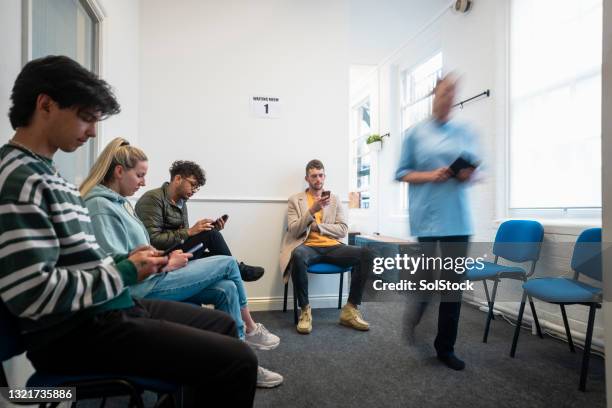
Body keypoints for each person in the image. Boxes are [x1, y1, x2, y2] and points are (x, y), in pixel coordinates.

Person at [0, 55, 257, 406]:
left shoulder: (42, 172)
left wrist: (127, 259)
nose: (92, 131)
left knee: (223, 328)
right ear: (45, 104)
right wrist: (125, 269)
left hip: (106, 310)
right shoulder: (20, 179)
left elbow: (73, 264)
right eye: (86, 118)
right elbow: (31, 291)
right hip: (80, 332)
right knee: (240, 361)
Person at [80, 138, 283, 388]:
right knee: (228, 263)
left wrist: (168, 256)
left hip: (157, 271)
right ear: (120, 171)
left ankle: (242, 359)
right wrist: (166, 261)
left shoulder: (121, 204)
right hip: (144, 286)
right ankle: (250, 331)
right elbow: (119, 266)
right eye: (140, 175)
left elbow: (138, 250)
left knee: (227, 288)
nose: (143, 182)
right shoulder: (103, 206)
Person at [395, 74, 481, 371]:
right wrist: (431, 175)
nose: (449, 98)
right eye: (445, 92)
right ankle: (416, 310)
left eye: (454, 93)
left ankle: (445, 348)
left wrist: (467, 174)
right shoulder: (415, 133)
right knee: (429, 279)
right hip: (428, 218)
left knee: (452, 286)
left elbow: (477, 170)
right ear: (435, 93)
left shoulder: (464, 131)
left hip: (458, 219)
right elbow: (401, 172)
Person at [280, 159, 373, 334]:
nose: (318, 179)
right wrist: (311, 211)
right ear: (307, 178)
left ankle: (350, 309)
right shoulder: (295, 200)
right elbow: (293, 230)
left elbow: (343, 230)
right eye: (314, 176)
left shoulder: (335, 199)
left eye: (321, 175)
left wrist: (318, 227)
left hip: (333, 246)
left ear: (325, 176)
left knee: (367, 254)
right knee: (297, 255)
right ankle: (305, 311)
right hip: (307, 246)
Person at [135, 160, 264, 282]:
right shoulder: (153, 199)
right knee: (212, 238)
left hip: (176, 250)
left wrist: (209, 230)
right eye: (192, 185)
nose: (194, 190)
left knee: (217, 255)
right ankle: (238, 269)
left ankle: (235, 267)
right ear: (178, 179)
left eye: (197, 187)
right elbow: (152, 239)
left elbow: (183, 237)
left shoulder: (181, 202)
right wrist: (190, 231)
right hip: (162, 256)